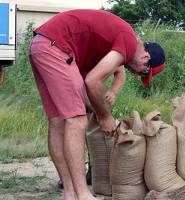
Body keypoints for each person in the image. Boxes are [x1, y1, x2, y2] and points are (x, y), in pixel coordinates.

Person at [29, 9, 165, 200]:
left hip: (42, 44)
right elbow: (93, 82)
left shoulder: (101, 47)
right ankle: (83, 195)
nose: (137, 74)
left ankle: (70, 193)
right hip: (55, 45)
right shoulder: (128, 39)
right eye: (143, 72)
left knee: (59, 120)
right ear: (146, 58)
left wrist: (95, 109)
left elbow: (84, 85)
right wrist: (105, 116)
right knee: (76, 121)